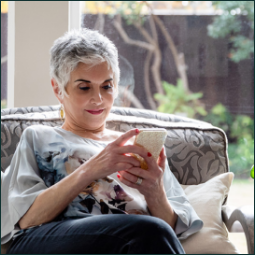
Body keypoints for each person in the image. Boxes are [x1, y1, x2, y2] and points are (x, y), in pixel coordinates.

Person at [1, 29, 203, 254]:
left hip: (135, 241)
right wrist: (92, 168)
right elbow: (27, 219)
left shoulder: (138, 147)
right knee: (147, 230)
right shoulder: (38, 137)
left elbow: (173, 231)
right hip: (46, 242)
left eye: (106, 87)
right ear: (59, 89)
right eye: (84, 87)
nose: (98, 99)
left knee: (151, 230)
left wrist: (155, 192)